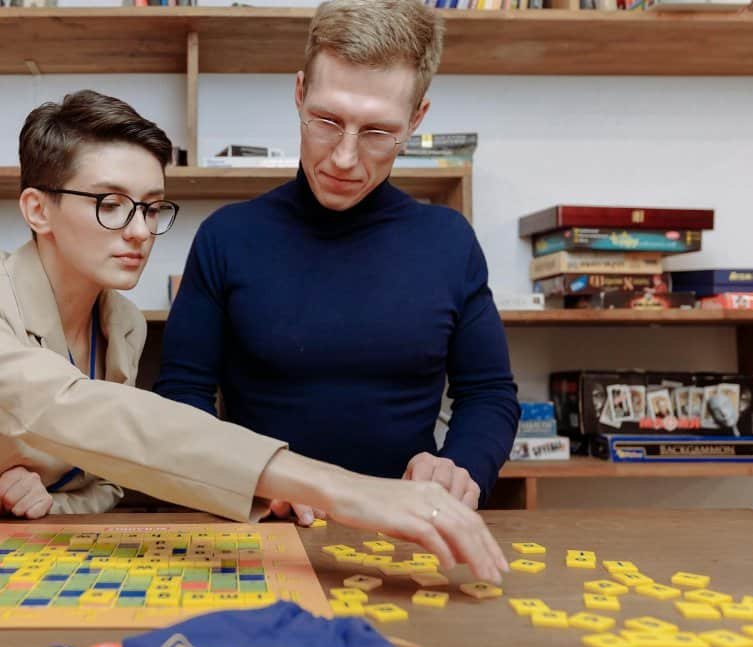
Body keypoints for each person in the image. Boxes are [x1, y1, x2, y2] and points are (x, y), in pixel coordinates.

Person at [0, 89, 508, 583]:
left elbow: (108, 480)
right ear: (38, 208)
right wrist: (337, 485)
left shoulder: (125, 322)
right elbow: (64, 407)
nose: (140, 229)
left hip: (22, 556)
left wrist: (44, 507)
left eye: (151, 205)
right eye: (110, 202)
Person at [155, 0, 520, 519]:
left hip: (404, 529)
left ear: (417, 118)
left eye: (376, 132)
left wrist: (460, 467)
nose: (345, 158)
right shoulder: (227, 238)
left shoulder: (449, 242)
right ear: (299, 92)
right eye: (326, 120)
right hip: (263, 527)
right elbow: (181, 397)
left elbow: (488, 395)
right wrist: (247, 481)